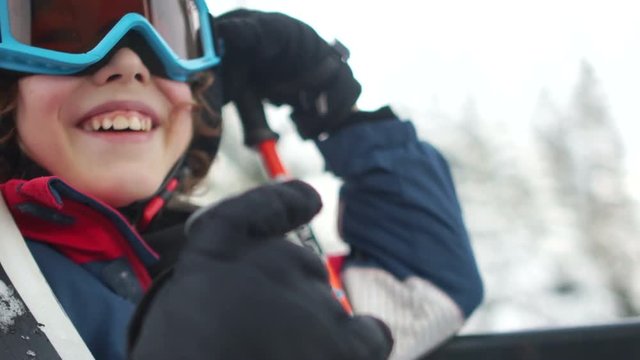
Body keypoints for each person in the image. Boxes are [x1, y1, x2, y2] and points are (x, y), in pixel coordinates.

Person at [0, 1, 483, 359]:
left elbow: (422, 294)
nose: (130, 63)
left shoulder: (234, 258)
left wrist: (338, 113)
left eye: (167, 38)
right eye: (62, 36)